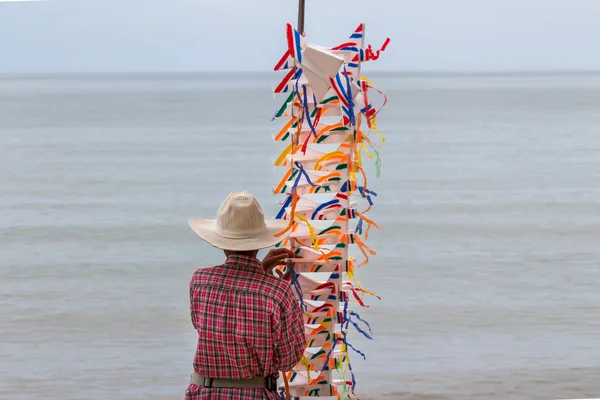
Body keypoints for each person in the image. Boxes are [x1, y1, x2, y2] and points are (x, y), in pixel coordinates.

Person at [184, 191, 306, 400]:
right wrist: (265, 277)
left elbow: (206, 328)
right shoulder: (277, 292)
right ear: (260, 243)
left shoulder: (199, 281)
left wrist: (261, 272)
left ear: (219, 241)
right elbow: (288, 359)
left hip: (203, 394)